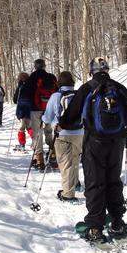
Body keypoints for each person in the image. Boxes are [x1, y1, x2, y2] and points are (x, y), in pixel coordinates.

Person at [59, 57, 127, 243]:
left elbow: (71, 116)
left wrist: (61, 125)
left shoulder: (87, 88)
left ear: (91, 71)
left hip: (94, 142)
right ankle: (117, 221)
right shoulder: (119, 88)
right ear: (107, 70)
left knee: (95, 182)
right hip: (117, 142)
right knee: (113, 180)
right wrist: (125, 132)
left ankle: (95, 227)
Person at [42, 71, 84, 203]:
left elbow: (48, 117)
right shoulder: (79, 95)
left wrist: (43, 118)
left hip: (62, 134)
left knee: (66, 164)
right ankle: (75, 184)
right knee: (75, 160)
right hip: (79, 133)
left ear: (59, 83)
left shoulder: (56, 96)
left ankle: (68, 194)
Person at [22, 58, 58, 171]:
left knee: (37, 134)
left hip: (35, 109)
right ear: (44, 66)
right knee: (48, 131)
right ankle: (53, 154)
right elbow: (57, 91)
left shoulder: (32, 77)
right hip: (49, 109)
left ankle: (39, 160)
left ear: (35, 66)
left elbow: (25, 94)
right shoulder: (51, 77)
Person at [13, 72, 34, 151]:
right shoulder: (32, 86)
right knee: (30, 127)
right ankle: (34, 141)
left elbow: (15, 100)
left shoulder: (20, 87)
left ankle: (22, 145)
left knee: (21, 128)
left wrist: (19, 88)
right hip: (30, 109)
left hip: (21, 110)